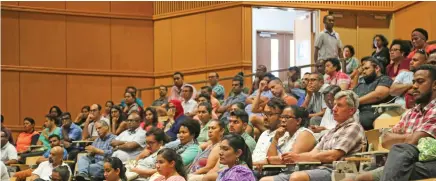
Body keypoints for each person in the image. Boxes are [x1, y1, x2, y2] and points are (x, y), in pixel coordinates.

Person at [347, 65, 436, 181]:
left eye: (420, 82)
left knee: (400, 150)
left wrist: (400, 138)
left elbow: (412, 143)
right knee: (355, 179)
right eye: (413, 82)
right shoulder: (412, 112)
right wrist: (407, 138)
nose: (414, 86)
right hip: (406, 162)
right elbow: (385, 140)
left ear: (434, 85)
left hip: (430, 162)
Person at [267, 90, 365, 181]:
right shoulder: (331, 131)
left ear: (351, 111)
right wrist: (294, 156)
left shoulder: (353, 127)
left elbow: (332, 156)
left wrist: (298, 158)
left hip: (337, 171)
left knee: (297, 177)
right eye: (335, 105)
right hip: (317, 168)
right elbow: (312, 153)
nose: (334, 109)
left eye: (339, 105)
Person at [254, 106, 316, 170]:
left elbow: (290, 159)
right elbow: (271, 157)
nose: (283, 120)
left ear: (298, 121)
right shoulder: (285, 134)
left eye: (287, 117)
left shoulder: (305, 133)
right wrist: (275, 139)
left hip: (294, 173)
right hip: (278, 171)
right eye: (282, 117)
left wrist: (267, 161)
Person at [352, 58, 393, 130]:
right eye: (363, 69)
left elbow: (379, 94)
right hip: (357, 113)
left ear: (377, 68)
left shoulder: (384, 79)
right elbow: (350, 96)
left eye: (367, 68)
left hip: (375, 113)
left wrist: (356, 101)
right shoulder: (361, 84)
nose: (364, 72)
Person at [252, 97, 288, 164]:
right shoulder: (264, 133)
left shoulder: (284, 135)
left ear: (281, 116)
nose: (265, 117)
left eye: (269, 114)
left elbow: (274, 163)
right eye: (264, 114)